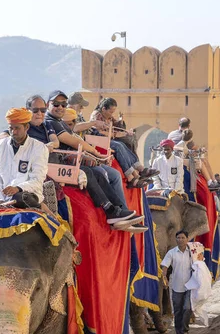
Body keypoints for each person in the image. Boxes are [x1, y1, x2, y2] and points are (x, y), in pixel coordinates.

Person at [45, 90, 146, 231]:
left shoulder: (57, 122)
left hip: (71, 160)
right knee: (97, 172)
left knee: (108, 170)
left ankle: (119, 210)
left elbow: (78, 137)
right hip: (60, 164)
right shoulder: (52, 122)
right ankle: (112, 209)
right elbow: (74, 141)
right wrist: (95, 153)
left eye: (63, 104)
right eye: (56, 104)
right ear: (47, 104)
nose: (60, 107)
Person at [62, 107, 129, 211]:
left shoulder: (75, 133)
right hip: (72, 165)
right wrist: (94, 123)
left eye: (70, 124)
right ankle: (109, 208)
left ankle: (122, 210)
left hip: (87, 160)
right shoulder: (61, 131)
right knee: (101, 172)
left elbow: (91, 138)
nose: (67, 127)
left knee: (115, 174)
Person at [89, 98, 157, 187]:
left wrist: (121, 121)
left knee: (128, 142)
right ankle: (131, 176)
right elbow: (98, 132)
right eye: (110, 111)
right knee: (119, 146)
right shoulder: (97, 116)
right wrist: (115, 134)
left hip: (108, 139)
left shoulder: (107, 115)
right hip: (99, 140)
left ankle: (138, 171)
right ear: (103, 109)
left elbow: (115, 123)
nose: (111, 114)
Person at [0, 107, 48, 207]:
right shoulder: (0, 146)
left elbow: (37, 181)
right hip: (4, 196)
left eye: (17, 128)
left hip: (27, 194)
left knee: (20, 198)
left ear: (26, 127)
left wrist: (18, 188)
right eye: (11, 128)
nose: (13, 132)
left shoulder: (39, 148)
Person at [161, 230, 193, 334]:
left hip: (190, 285)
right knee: (178, 311)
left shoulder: (192, 252)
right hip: (177, 286)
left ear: (187, 239)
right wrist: (164, 277)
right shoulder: (172, 253)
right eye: (178, 238)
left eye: (183, 238)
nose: (180, 240)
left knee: (187, 308)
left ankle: (185, 331)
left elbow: (199, 263)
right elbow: (165, 266)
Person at [184, 242, 212, 327]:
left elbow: (203, 282)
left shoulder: (200, 265)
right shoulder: (199, 264)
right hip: (183, 285)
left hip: (192, 290)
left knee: (186, 308)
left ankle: (184, 329)